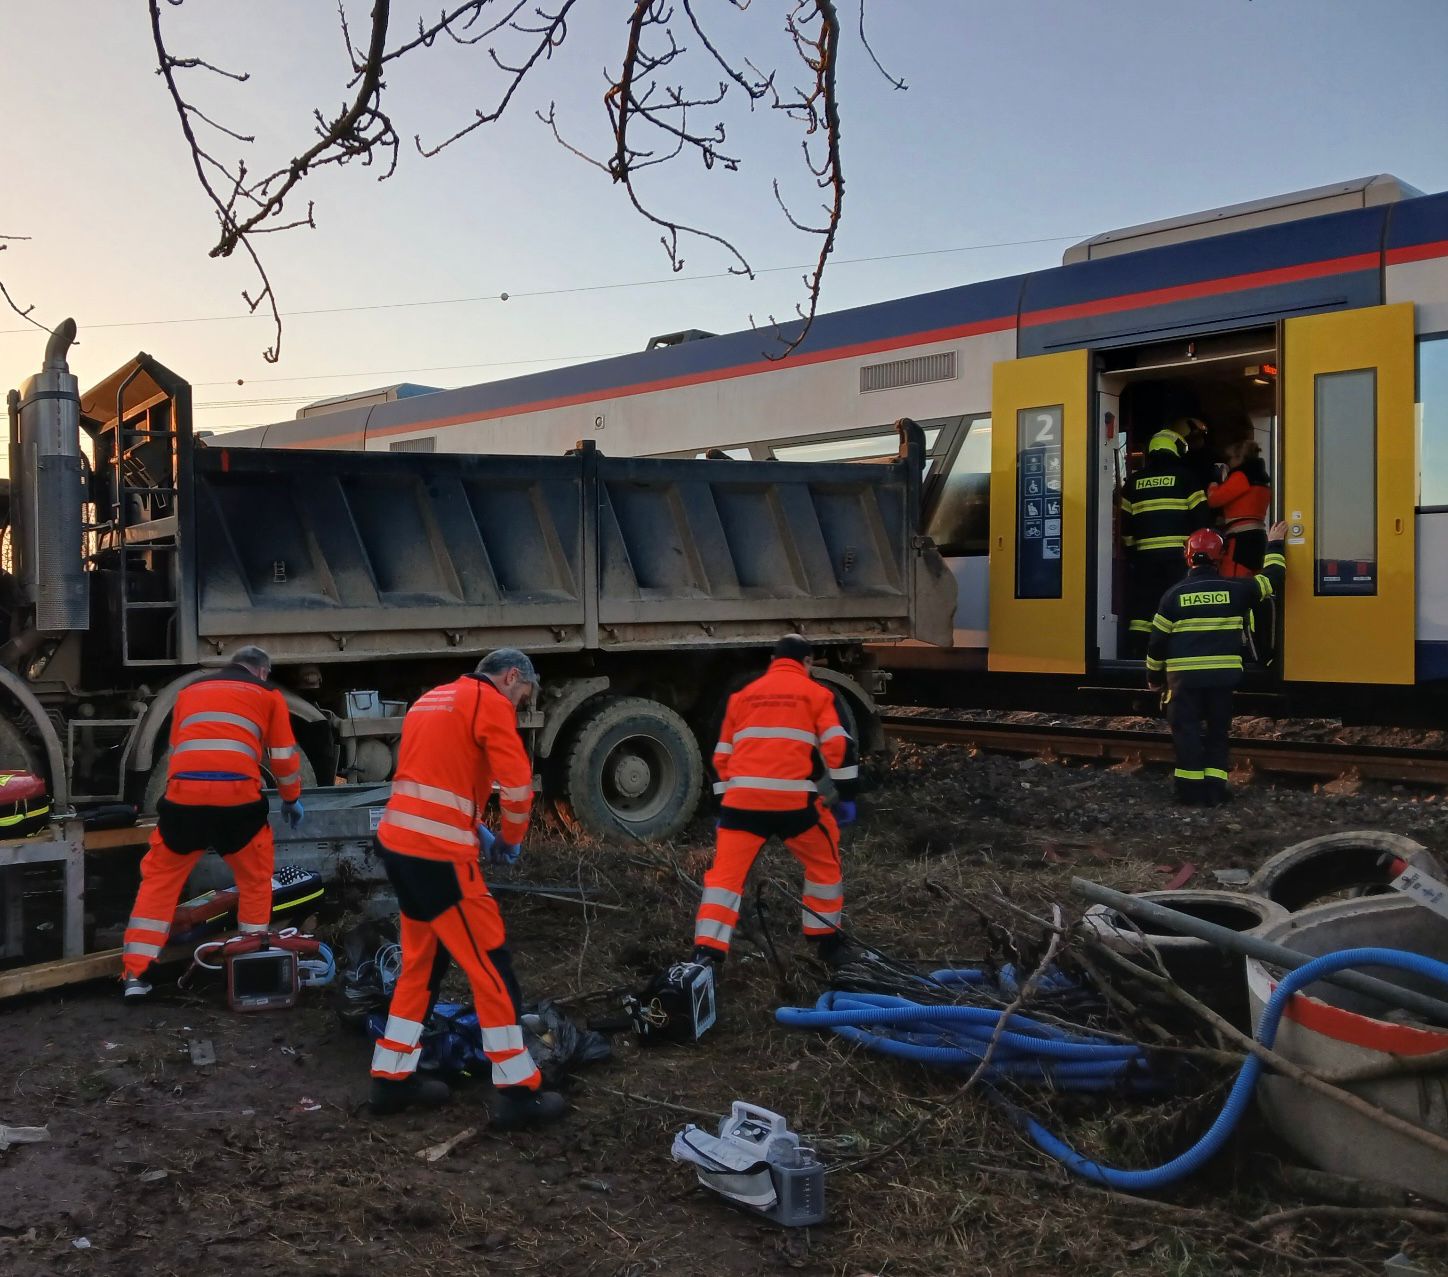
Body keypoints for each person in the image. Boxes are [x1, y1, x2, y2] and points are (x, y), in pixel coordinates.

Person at [367, 648, 566, 1129]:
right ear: (511, 676)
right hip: (441, 859)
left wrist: (475, 823)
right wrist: (511, 839)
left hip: (399, 844)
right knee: (491, 967)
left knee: (422, 965)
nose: (516, 707)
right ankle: (520, 1091)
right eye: (521, 698)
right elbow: (517, 788)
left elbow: (436, 774)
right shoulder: (489, 702)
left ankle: (390, 1080)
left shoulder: (432, 698)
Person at [121, 645, 304, 1000]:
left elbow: (179, 748)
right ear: (262, 672)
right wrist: (292, 798)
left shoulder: (189, 693)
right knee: (254, 880)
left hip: (182, 802)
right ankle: (247, 965)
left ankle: (135, 975)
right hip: (237, 804)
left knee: (159, 884)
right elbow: (282, 757)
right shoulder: (269, 695)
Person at [692, 634, 858, 968]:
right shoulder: (816, 694)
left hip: (742, 808)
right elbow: (840, 749)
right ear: (808, 663)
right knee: (824, 863)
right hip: (793, 807)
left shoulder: (742, 697)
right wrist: (846, 799)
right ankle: (827, 943)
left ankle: (706, 954)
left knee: (724, 879)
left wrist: (723, 809)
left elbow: (722, 756)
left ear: (772, 661)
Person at [1146, 523, 1287, 806]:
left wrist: (1153, 677)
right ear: (1219, 556)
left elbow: (1157, 643)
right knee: (1217, 734)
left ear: (1188, 556)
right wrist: (1274, 544)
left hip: (1183, 681)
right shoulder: (1237, 590)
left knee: (1187, 734)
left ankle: (1189, 794)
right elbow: (1273, 578)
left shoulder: (1172, 596)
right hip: (1222, 679)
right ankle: (1215, 792)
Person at [1120, 419, 1210, 658]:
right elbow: (1201, 517)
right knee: (1179, 601)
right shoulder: (1186, 477)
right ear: (1176, 448)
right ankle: (1179, 649)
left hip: (1145, 558)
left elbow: (1125, 524)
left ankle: (1138, 649)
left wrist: (1131, 551)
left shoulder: (1134, 482)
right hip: (1178, 556)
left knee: (1144, 605)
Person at [1207, 439, 1272, 576]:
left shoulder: (1241, 476)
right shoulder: (1262, 480)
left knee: (1234, 580)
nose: (1229, 463)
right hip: (1258, 537)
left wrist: (1215, 481)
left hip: (1241, 541)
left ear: (1239, 458)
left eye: (1229, 458)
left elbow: (1213, 500)